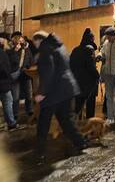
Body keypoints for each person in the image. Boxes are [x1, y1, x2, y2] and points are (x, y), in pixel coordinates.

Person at [32, 31, 86, 163]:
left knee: (43, 124)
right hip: (67, 90)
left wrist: (41, 93)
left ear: (39, 40)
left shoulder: (45, 49)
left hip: (53, 93)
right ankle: (80, 142)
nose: (35, 46)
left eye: (35, 43)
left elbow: (47, 72)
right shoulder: (59, 46)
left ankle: (39, 154)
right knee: (66, 120)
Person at [70, 28, 100, 119]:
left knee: (78, 105)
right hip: (89, 82)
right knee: (90, 105)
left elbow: (71, 64)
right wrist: (97, 75)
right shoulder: (89, 49)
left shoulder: (75, 50)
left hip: (77, 81)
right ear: (91, 39)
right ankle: (89, 124)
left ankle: (75, 124)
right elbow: (90, 66)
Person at [7, 32, 33, 121]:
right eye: (18, 41)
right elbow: (10, 63)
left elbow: (31, 60)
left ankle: (30, 111)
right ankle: (15, 114)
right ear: (14, 42)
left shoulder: (27, 50)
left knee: (29, 94)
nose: (20, 43)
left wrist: (28, 66)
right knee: (16, 96)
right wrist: (14, 51)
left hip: (26, 74)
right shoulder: (10, 51)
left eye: (22, 41)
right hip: (15, 76)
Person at [0, 35, 20, 131]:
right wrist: (9, 77)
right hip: (3, 83)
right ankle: (11, 123)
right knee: (8, 102)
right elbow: (4, 69)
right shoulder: (2, 53)